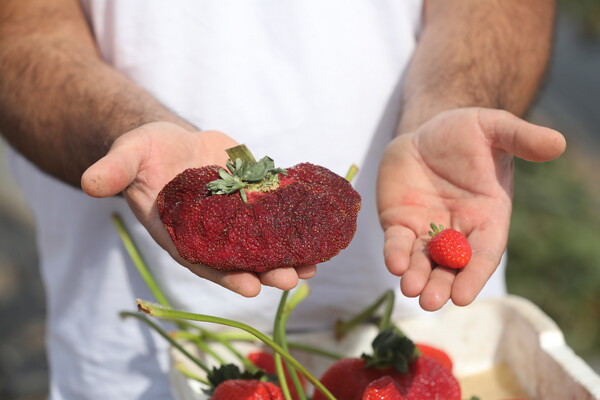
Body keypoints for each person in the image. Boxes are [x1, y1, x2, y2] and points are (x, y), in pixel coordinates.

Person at [0, 0, 566, 399]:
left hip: (434, 328)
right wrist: (124, 126)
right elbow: (21, 31)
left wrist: (452, 101)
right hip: (134, 356)